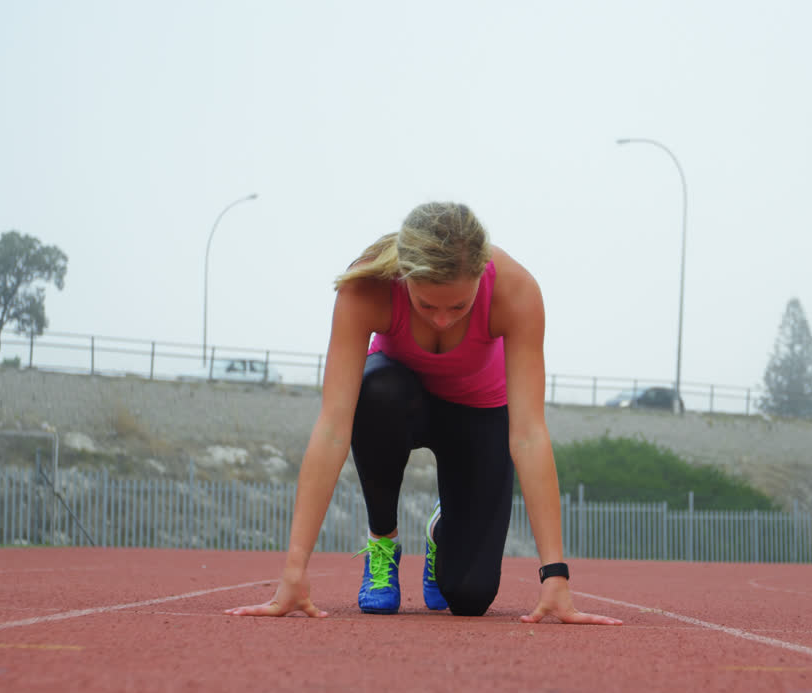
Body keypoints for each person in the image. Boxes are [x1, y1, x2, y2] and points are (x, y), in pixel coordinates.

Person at [224, 201, 621, 625]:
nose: (443, 321)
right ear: (404, 277)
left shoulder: (516, 291)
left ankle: (440, 532)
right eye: (427, 305)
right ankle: (383, 540)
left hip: (479, 412)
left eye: (459, 307)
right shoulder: (367, 286)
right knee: (377, 390)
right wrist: (294, 570)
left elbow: (528, 434)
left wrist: (555, 577)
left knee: (470, 597)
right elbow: (333, 428)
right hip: (397, 403)